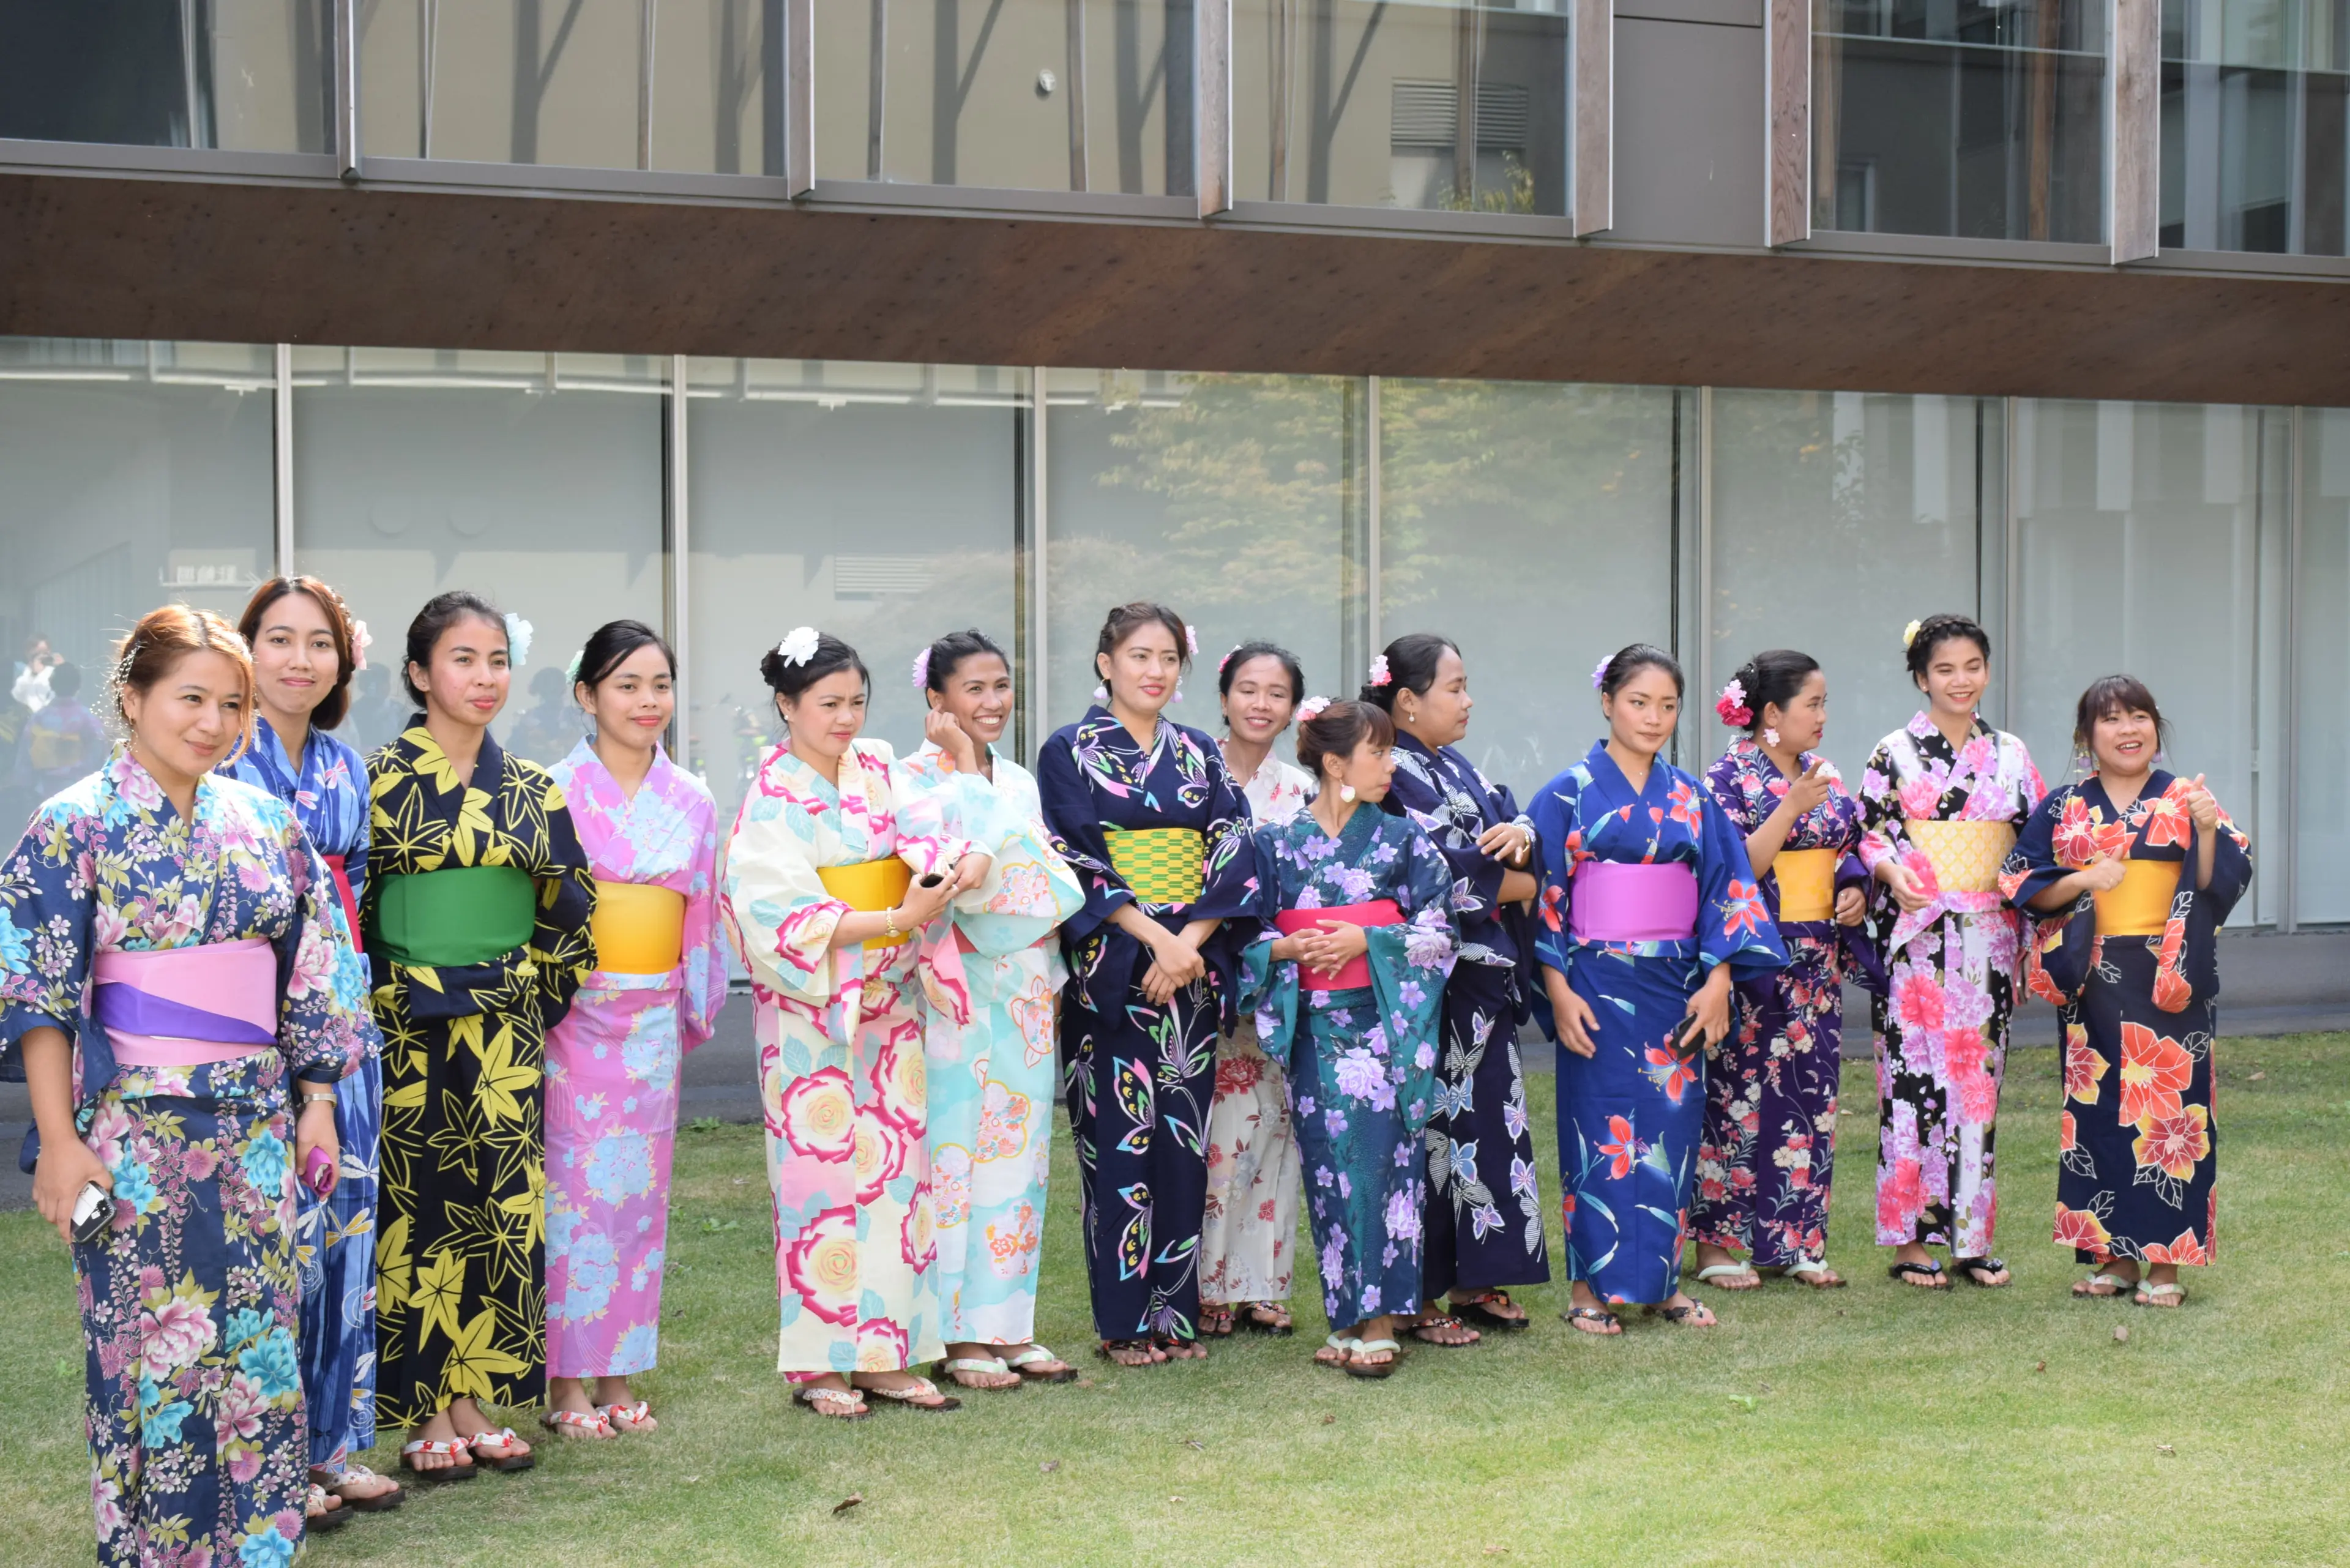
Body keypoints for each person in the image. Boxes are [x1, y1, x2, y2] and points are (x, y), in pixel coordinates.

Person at [1, 605, 378, 1564]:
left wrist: (320, 1106)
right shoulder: (73, 824)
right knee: (146, 1357)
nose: (212, 722)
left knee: (258, 1348)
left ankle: (258, 1547)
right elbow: (38, 991)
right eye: (190, 698)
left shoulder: (267, 824)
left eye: (231, 704)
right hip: (130, 1136)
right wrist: (60, 1141)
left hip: (255, 1128)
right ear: (132, 698)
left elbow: (312, 973)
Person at [720, 627, 984, 1419]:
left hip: (889, 1004)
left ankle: (888, 1353)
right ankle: (820, 1362)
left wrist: (959, 859)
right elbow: (775, 909)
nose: (845, 716)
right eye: (828, 703)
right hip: (814, 1015)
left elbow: (931, 829)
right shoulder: (771, 793)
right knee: (820, 1187)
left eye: (857, 700)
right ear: (786, 705)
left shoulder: (877, 767)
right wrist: (895, 913)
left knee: (895, 1182)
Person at [365, 592, 597, 1477]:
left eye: (497, 659)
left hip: (502, 1026)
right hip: (404, 1023)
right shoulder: (376, 779)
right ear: (421, 674)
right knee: (416, 1210)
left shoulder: (533, 787)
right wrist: (389, 992)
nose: (484, 677)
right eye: (462, 659)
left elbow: (571, 912)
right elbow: (351, 908)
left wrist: (528, 994)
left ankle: (475, 1395)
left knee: (494, 1209)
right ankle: (426, 1407)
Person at [1531, 644, 1786, 1335]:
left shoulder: (1692, 796)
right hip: (1594, 982)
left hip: (1676, 984)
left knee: (1672, 1132)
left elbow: (1725, 891)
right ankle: (1590, 1287)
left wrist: (1719, 980)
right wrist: (1557, 990)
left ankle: (1665, 1284)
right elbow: (1545, 898)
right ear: (1608, 701)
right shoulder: (1566, 792)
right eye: (1639, 702)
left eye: (1667, 705)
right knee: (1599, 1127)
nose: (1653, 717)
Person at [225, 575, 402, 1518]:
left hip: (344, 1012)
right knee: (273, 1237)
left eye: (320, 642)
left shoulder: (342, 764)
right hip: (252, 1018)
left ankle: (329, 1445)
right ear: (246, 648)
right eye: (281, 639)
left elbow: (358, 884)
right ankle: (268, 1451)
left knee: (343, 1233)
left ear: (342, 660)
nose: (300, 659)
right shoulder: (219, 758)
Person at [1038, 603, 1256, 1367]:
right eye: (1138, 656)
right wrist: (1156, 938)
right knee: (1116, 1147)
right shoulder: (1068, 749)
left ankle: (1177, 1316)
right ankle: (1124, 1323)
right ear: (1106, 663)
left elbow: (1233, 844)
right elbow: (1072, 855)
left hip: (1187, 971)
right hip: (1117, 971)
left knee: (1183, 1147)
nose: (1155, 671)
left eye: (1167, 658)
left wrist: (1191, 942)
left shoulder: (1200, 752)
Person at [2008, 677, 2248, 1308]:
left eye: (2139, 716)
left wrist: (2205, 831)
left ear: (2156, 727)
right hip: (2093, 975)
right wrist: (2084, 876)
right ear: (2087, 737)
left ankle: (2167, 1266)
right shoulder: (2065, 805)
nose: (2127, 729)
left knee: (2173, 1115)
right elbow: (2024, 881)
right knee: (2099, 1116)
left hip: (2168, 971)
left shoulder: (2185, 797)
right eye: (2111, 719)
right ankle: (2113, 1257)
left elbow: (2217, 883)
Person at [541, 621, 728, 1435]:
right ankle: (567, 1383)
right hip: (575, 1014)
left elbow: (701, 913)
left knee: (637, 1201)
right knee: (573, 1197)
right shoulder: (549, 790)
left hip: (650, 1014)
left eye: (659, 684)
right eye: (626, 684)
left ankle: (621, 1372)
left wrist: (693, 998)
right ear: (587, 695)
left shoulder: (693, 798)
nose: (647, 700)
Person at [1240, 698, 1457, 1377]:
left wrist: (1370, 938)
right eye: (1380, 753)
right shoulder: (1274, 844)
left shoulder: (1404, 839)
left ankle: (1384, 1318)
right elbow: (1244, 935)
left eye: (1391, 752)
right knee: (1330, 1170)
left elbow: (1443, 931)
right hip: (1313, 1028)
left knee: (1381, 1169)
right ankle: (1346, 1318)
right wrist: (1284, 952)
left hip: (1385, 1024)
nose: (1391, 766)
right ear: (1336, 764)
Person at [897, 629, 1086, 1391]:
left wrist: (996, 840)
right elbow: (950, 875)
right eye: (973, 688)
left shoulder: (1015, 778)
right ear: (935, 698)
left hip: (1024, 981)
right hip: (952, 981)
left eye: (1001, 685)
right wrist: (977, 799)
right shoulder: (906, 778)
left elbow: (1041, 871)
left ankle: (1008, 1326)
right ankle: (954, 1334)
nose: (992, 702)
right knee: (953, 1155)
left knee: (1022, 1156)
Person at [1857, 613, 2046, 1291]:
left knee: (1976, 1088)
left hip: (1987, 940)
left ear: (1987, 671)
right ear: (1920, 678)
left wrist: (2031, 929)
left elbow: (2035, 847)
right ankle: (1910, 1241)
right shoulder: (1894, 752)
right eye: (1944, 670)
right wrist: (1889, 872)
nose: (1960, 681)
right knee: (1908, 1087)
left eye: (1971, 666)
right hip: (1918, 937)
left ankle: (1972, 1238)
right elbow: (1870, 834)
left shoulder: (2013, 755)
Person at [1365, 633, 1545, 1343]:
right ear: (1407, 701)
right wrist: (1522, 874)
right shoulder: (1396, 772)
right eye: (1454, 687)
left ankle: (1476, 1276)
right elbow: (1444, 867)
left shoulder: (1455, 766)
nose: (1467, 700)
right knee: (1430, 1130)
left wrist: (1524, 840)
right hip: (1428, 975)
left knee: (1484, 1126)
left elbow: (1514, 825)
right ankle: (1420, 1291)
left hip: (1480, 975)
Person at [1692, 651, 1881, 1292]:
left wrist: (1854, 890)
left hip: (1816, 956)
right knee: (1738, 1095)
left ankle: (1797, 1239)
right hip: (1756, 955)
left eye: (1824, 703)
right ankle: (1722, 1245)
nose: (1824, 716)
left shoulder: (1819, 773)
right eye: (1813, 704)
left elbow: (1851, 846)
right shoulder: (1728, 777)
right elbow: (1733, 863)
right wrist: (1791, 806)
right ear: (1771, 714)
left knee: (1810, 1095)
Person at [1199, 640, 1315, 1339]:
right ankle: (1211, 1285)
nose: (1261, 704)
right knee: (1221, 1140)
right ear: (1223, 696)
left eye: (1276, 694)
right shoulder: (1191, 775)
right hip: (1209, 968)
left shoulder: (1299, 791)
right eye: (1248, 689)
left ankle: (1264, 1285)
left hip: (1284, 974)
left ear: (1293, 708)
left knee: (1278, 1131)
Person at [15, 659, 106, 801]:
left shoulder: (40, 717)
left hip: (44, 789)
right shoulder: (86, 717)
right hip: (79, 789)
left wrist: (25, 783)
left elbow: (26, 753)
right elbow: (98, 750)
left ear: (52, 685)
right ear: (78, 685)